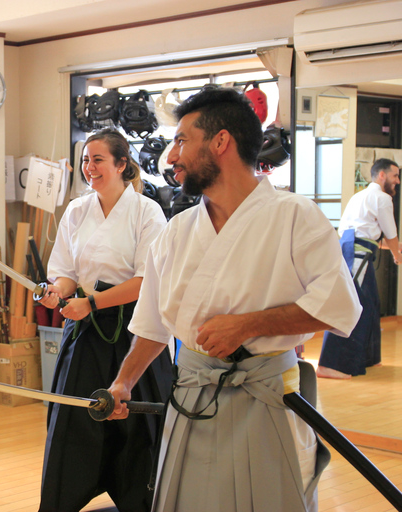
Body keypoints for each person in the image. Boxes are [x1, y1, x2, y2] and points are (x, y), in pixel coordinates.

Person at [107, 86, 361, 512]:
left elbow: (337, 305)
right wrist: (124, 382)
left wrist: (249, 324)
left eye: (182, 140)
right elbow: (152, 324)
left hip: (265, 398)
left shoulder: (295, 216)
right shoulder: (177, 231)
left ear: (220, 141)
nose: (171, 157)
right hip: (191, 396)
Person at [37, 128, 173, 512]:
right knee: (73, 422)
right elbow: (64, 270)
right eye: (85, 159)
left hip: (135, 329)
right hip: (84, 331)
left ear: (121, 164)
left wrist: (92, 303)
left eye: (98, 159)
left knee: (137, 428)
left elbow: (147, 280)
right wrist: (58, 292)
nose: (89, 167)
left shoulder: (147, 212)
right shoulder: (77, 211)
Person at [318, 158, 401, 379]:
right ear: (381, 175)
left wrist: (395, 247)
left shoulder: (360, 196)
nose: (398, 181)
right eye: (395, 176)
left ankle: (369, 358)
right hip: (357, 254)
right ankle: (331, 365)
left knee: (371, 304)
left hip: (353, 249)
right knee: (351, 305)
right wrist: (396, 254)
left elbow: (369, 235)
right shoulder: (382, 198)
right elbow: (390, 235)